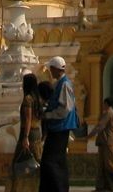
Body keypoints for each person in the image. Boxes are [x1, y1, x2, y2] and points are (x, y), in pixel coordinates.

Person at [40, 56, 77, 192]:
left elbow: (65, 108)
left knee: (50, 161)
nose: (50, 72)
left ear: (55, 69)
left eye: (51, 69)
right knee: (57, 161)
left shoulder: (65, 84)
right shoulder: (60, 84)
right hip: (58, 127)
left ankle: (58, 188)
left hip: (60, 127)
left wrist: (48, 115)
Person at [11, 73, 43, 192]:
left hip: (28, 133)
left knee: (20, 163)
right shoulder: (38, 99)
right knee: (35, 162)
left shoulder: (28, 99)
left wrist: (25, 137)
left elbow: (28, 119)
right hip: (37, 133)